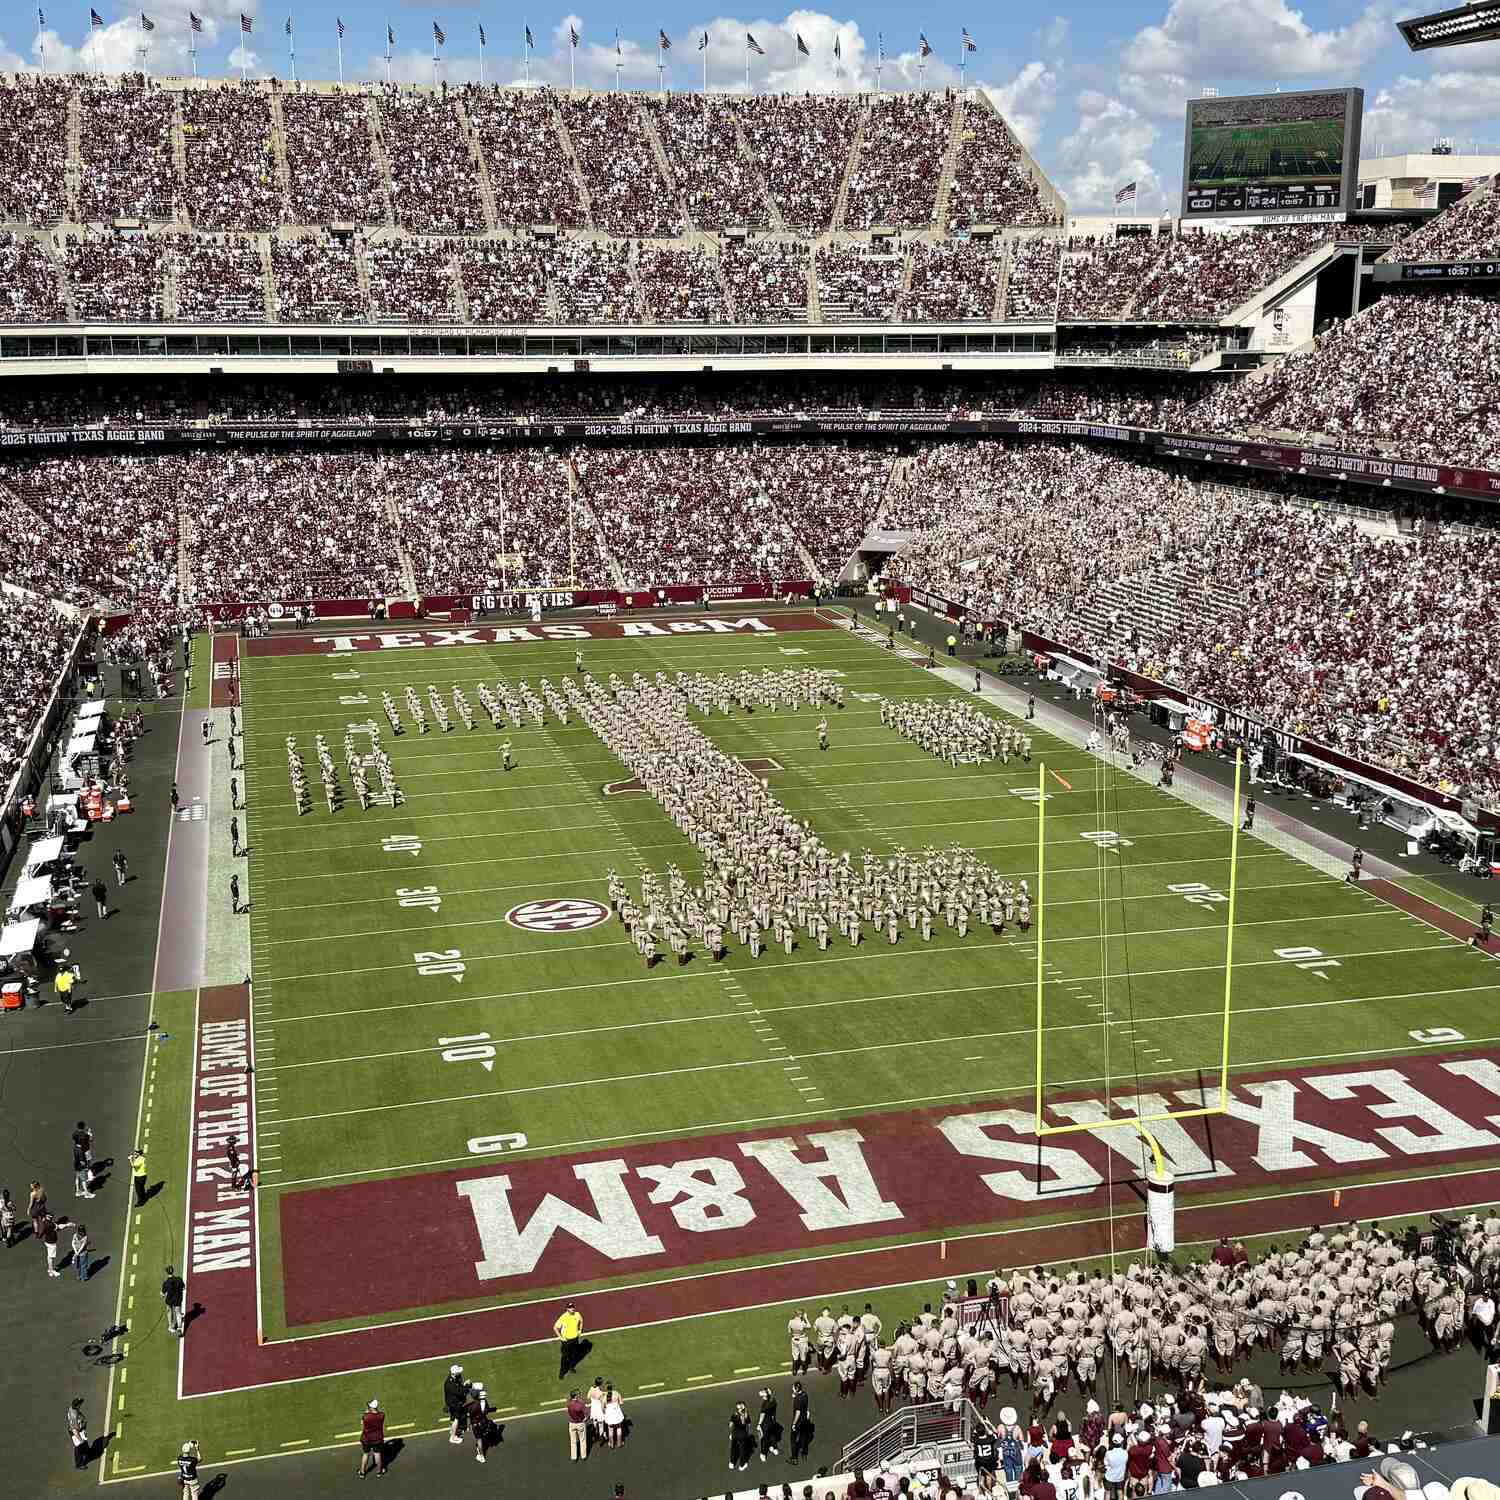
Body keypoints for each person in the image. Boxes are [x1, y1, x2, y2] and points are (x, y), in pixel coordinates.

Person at [555, 1299, 584, 1377]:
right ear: (567, 1309)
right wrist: (561, 1338)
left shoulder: (577, 1314)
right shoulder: (563, 1317)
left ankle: (571, 1367)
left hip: (575, 1339)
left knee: (573, 1355)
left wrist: (580, 1330)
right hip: (566, 1340)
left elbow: (581, 1321)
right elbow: (555, 1327)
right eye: (570, 1307)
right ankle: (562, 1372)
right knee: (564, 1357)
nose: (572, 1309)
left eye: (572, 1307)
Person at [358, 1399, 386, 1477]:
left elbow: (362, 1423)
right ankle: (379, 1471)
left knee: (366, 1454)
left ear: (371, 1407)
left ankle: (362, 1472)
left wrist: (366, 1413)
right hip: (377, 1438)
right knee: (377, 1454)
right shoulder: (382, 1415)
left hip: (366, 1438)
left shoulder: (365, 1416)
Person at [445, 1364, 468, 1443]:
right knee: (456, 1419)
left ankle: (453, 1431)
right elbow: (460, 1392)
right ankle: (453, 1437)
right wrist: (466, 1387)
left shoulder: (452, 1380)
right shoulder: (450, 1384)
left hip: (452, 1403)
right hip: (454, 1404)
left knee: (453, 1418)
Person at [789, 1381, 811, 1465]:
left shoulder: (797, 1400)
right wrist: (795, 1396)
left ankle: (794, 1458)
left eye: (793, 1388)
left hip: (798, 1422)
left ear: (795, 1389)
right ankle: (804, 1453)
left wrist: (794, 1424)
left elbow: (797, 1412)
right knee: (803, 1437)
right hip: (804, 1420)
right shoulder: (804, 1395)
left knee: (793, 1440)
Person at [729, 1401, 754, 1471]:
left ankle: (732, 1463)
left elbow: (730, 1424)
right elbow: (748, 1425)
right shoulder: (746, 1415)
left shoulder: (735, 1414)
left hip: (734, 1433)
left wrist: (731, 1433)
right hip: (743, 1434)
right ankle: (742, 1465)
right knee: (742, 1449)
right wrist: (747, 1433)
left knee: (733, 1448)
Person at [163, 1264, 186, 1335]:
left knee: (169, 1311)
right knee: (178, 1313)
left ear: (167, 1272)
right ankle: (179, 1328)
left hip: (169, 1299)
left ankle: (171, 1326)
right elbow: (183, 1288)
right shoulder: (179, 1279)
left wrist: (163, 1294)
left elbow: (163, 1293)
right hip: (178, 1298)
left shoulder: (166, 1283)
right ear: (173, 1271)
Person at [566, 1387, 589, 1461]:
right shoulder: (581, 1404)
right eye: (578, 1394)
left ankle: (574, 1457)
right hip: (580, 1423)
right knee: (582, 1440)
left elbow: (568, 1412)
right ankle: (583, 1456)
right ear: (575, 1396)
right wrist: (585, 1419)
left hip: (572, 1424)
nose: (579, 1395)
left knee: (573, 1441)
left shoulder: (568, 1403)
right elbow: (587, 1413)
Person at [67, 1396, 88, 1470]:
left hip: (79, 1428)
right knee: (78, 1445)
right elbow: (74, 1430)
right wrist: (79, 1438)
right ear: (77, 1405)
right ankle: (79, 1464)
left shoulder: (73, 1408)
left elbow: (78, 1412)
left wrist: (83, 1417)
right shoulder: (73, 1416)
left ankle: (86, 1451)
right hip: (75, 1431)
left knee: (84, 1441)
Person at [603, 1385, 625, 1449]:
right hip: (616, 1412)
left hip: (609, 1413)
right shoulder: (617, 1393)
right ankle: (619, 1443)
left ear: (606, 1389)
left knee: (610, 1429)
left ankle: (611, 1444)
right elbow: (621, 1403)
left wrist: (605, 1412)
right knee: (618, 1428)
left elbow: (603, 1407)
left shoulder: (604, 1396)